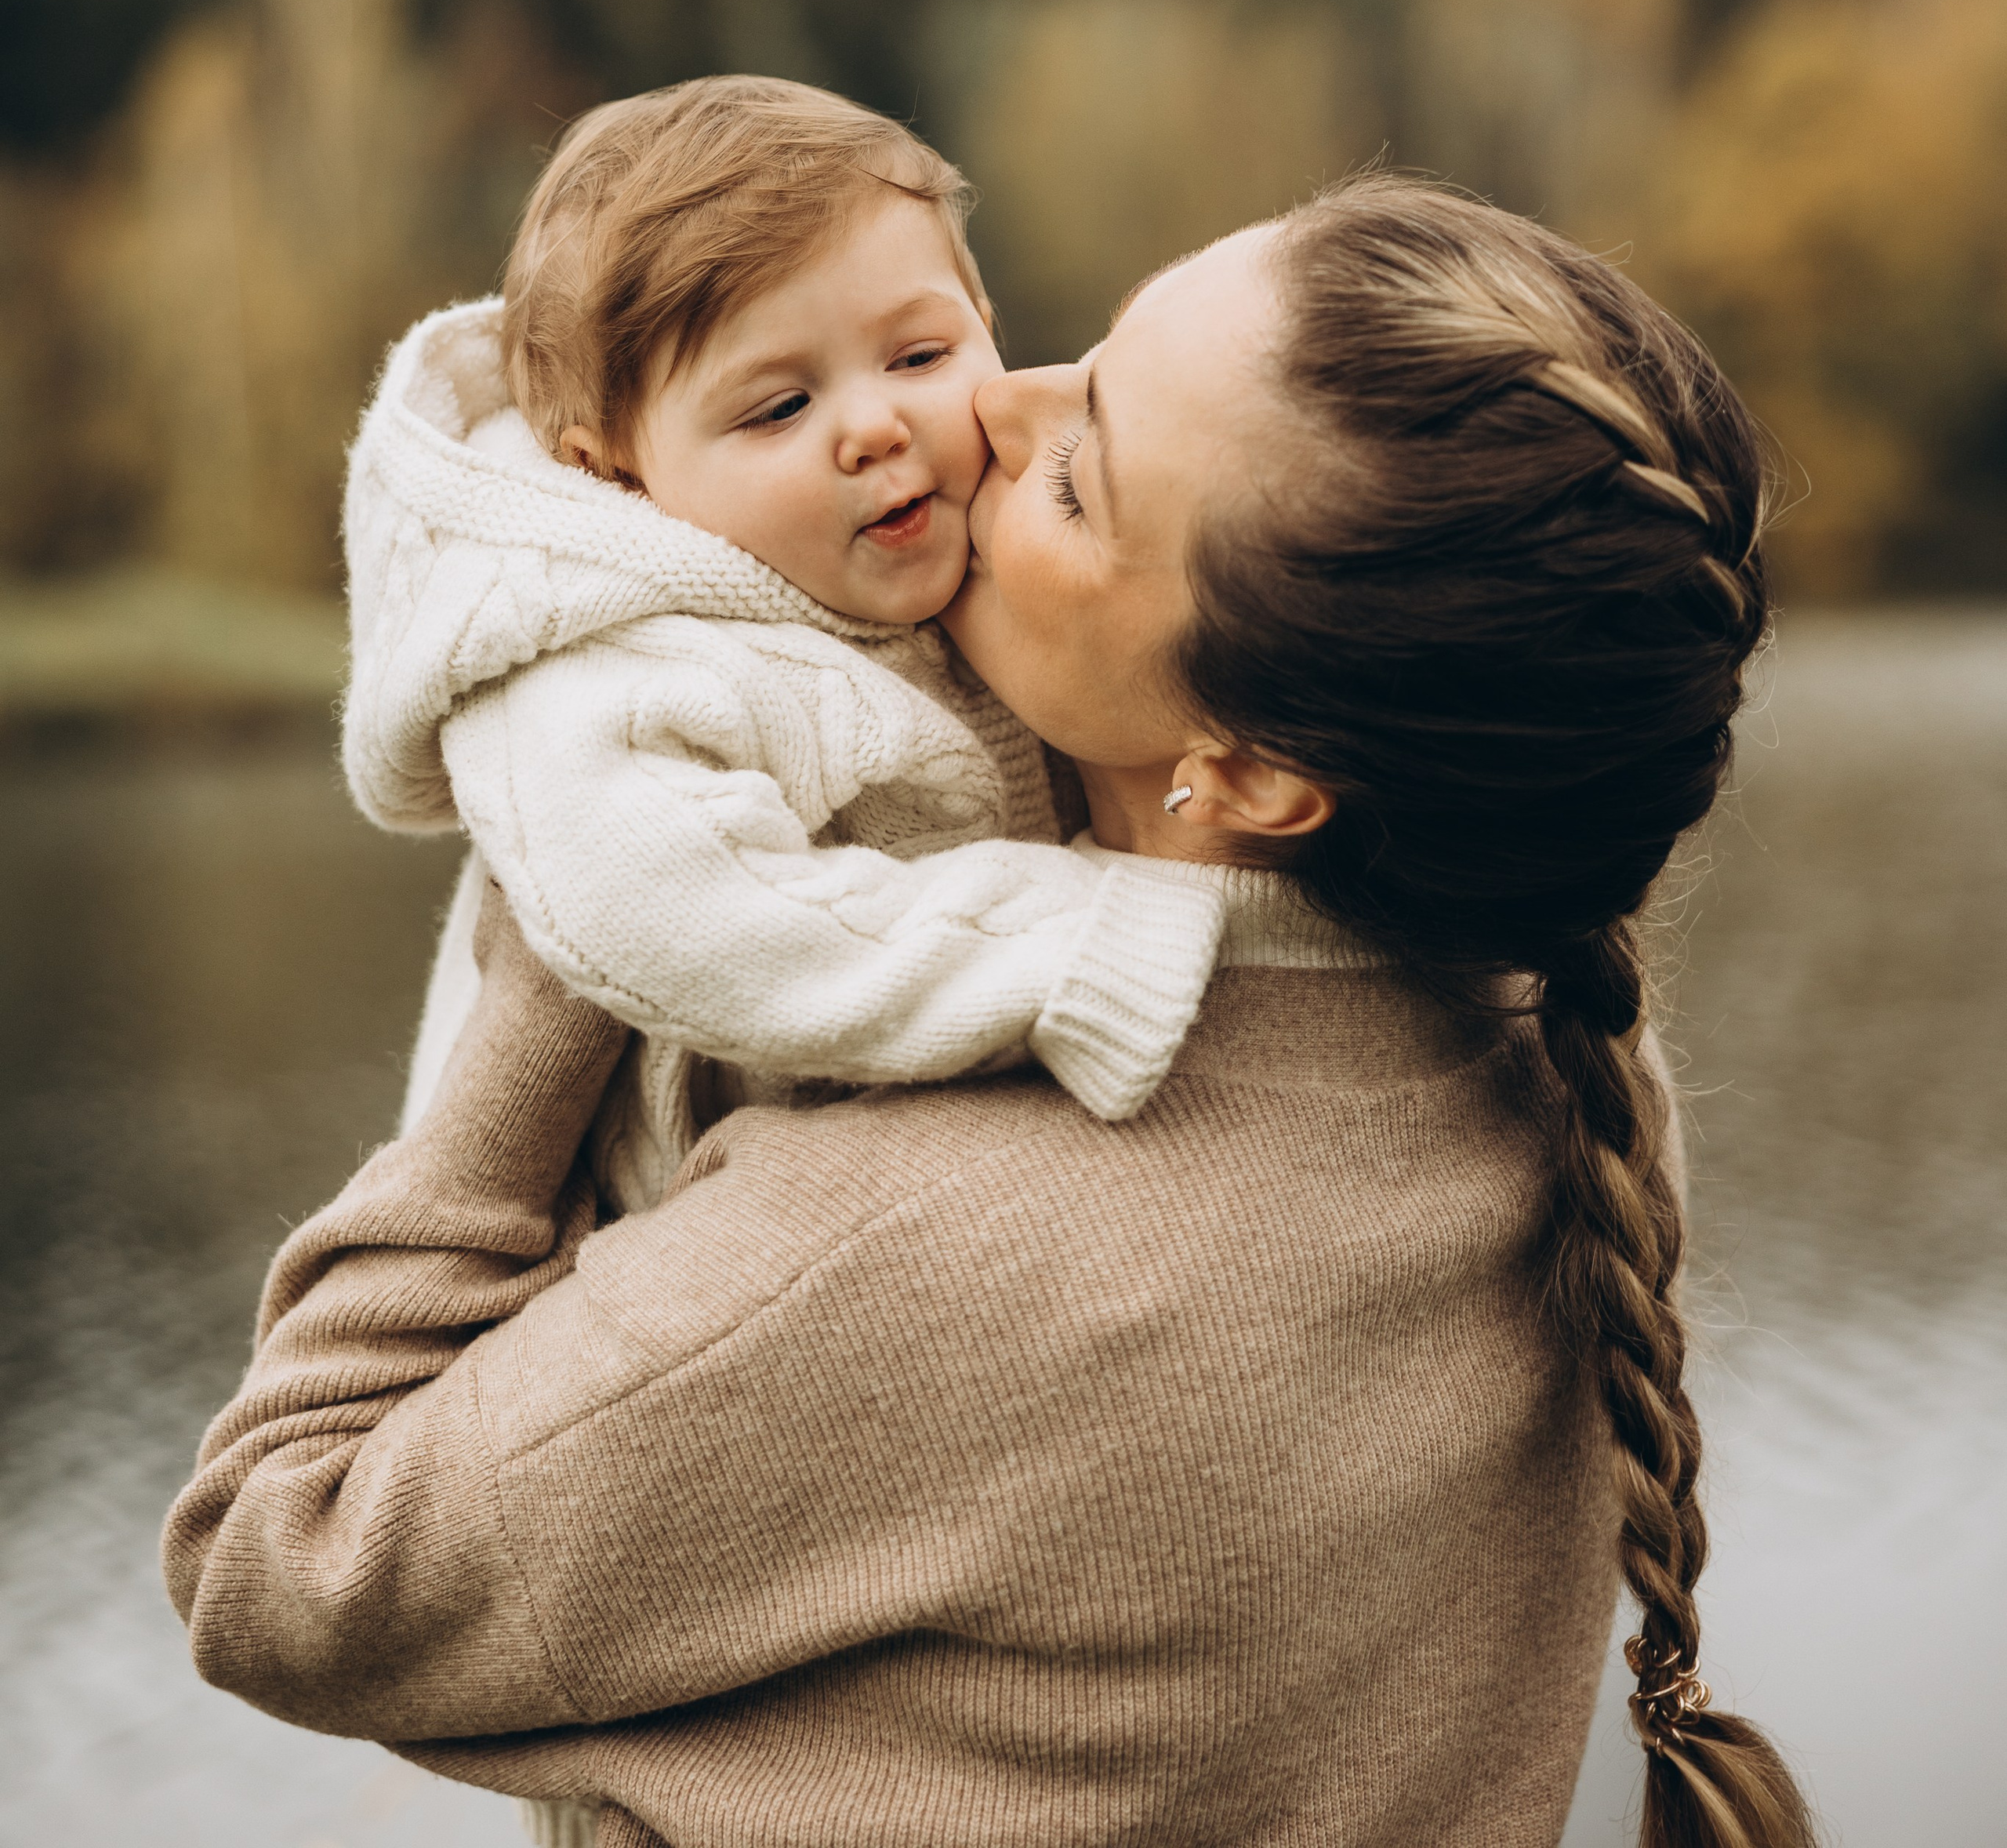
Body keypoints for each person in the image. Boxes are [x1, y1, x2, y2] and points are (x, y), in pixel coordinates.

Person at [165, 176, 1818, 1848]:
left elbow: (277, 1556)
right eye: (1087, 350)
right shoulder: (1555, 1047)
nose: (985, 409)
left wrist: (576, 896)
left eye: (1077, 473)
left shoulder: (932, 1247)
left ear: (1244, 774)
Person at [343, 76, 1224, 1214]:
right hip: (648, 1238)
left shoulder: (1013, 539)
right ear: (612, 471)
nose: (873, 427)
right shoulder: (604, 659)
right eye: (776, 409)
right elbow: (681, 910)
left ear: (985, 322)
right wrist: (1077, 947)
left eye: (917, 358)